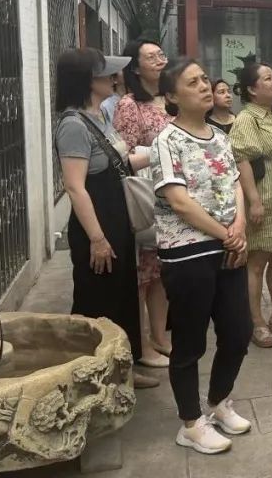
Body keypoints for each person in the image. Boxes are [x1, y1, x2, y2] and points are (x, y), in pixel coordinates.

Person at [151, 58, 253, 455]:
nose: (205, 86)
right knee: (190, 341)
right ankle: (191, 423)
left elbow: (235, 183)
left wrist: (239, 226)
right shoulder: (167, 140)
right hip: (188, 252)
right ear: (172, 95)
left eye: (205, 79)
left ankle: (218, 401)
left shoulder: (220, 136)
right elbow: (179, 202)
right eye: (192, 82)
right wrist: (227, 234)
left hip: (228, 246)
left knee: (238, 332)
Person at [54, 48, 158, 390]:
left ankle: (121, 369)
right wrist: (97, 239)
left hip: (117, 218)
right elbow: (75, 187)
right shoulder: (73, 125)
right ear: (88, 80)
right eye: (106, 74)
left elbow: (119, 163)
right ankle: (88, 376)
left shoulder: (99, 116)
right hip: (96, 225)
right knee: (97, 299)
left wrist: (164, 150)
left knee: (121, 296)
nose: (115, 79)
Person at [114, 39, 172, 368]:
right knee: (142, 275)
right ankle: (140, 345)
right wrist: (162, 153)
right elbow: (123, 156)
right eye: (152, 57)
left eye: (161, 54)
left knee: (161, 272)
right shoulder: (130, 104)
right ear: (135, 67)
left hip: (172, 195)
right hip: (146, 197)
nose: (160, 60)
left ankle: (160, 337)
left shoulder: (171, 99)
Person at [227, 63, 272, 349]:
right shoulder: (247, 119)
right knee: (256, 262)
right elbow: (242, 160)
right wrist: (253, 201)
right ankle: (256, 322)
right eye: (268, 79)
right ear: (252, 89)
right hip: (263, 199)